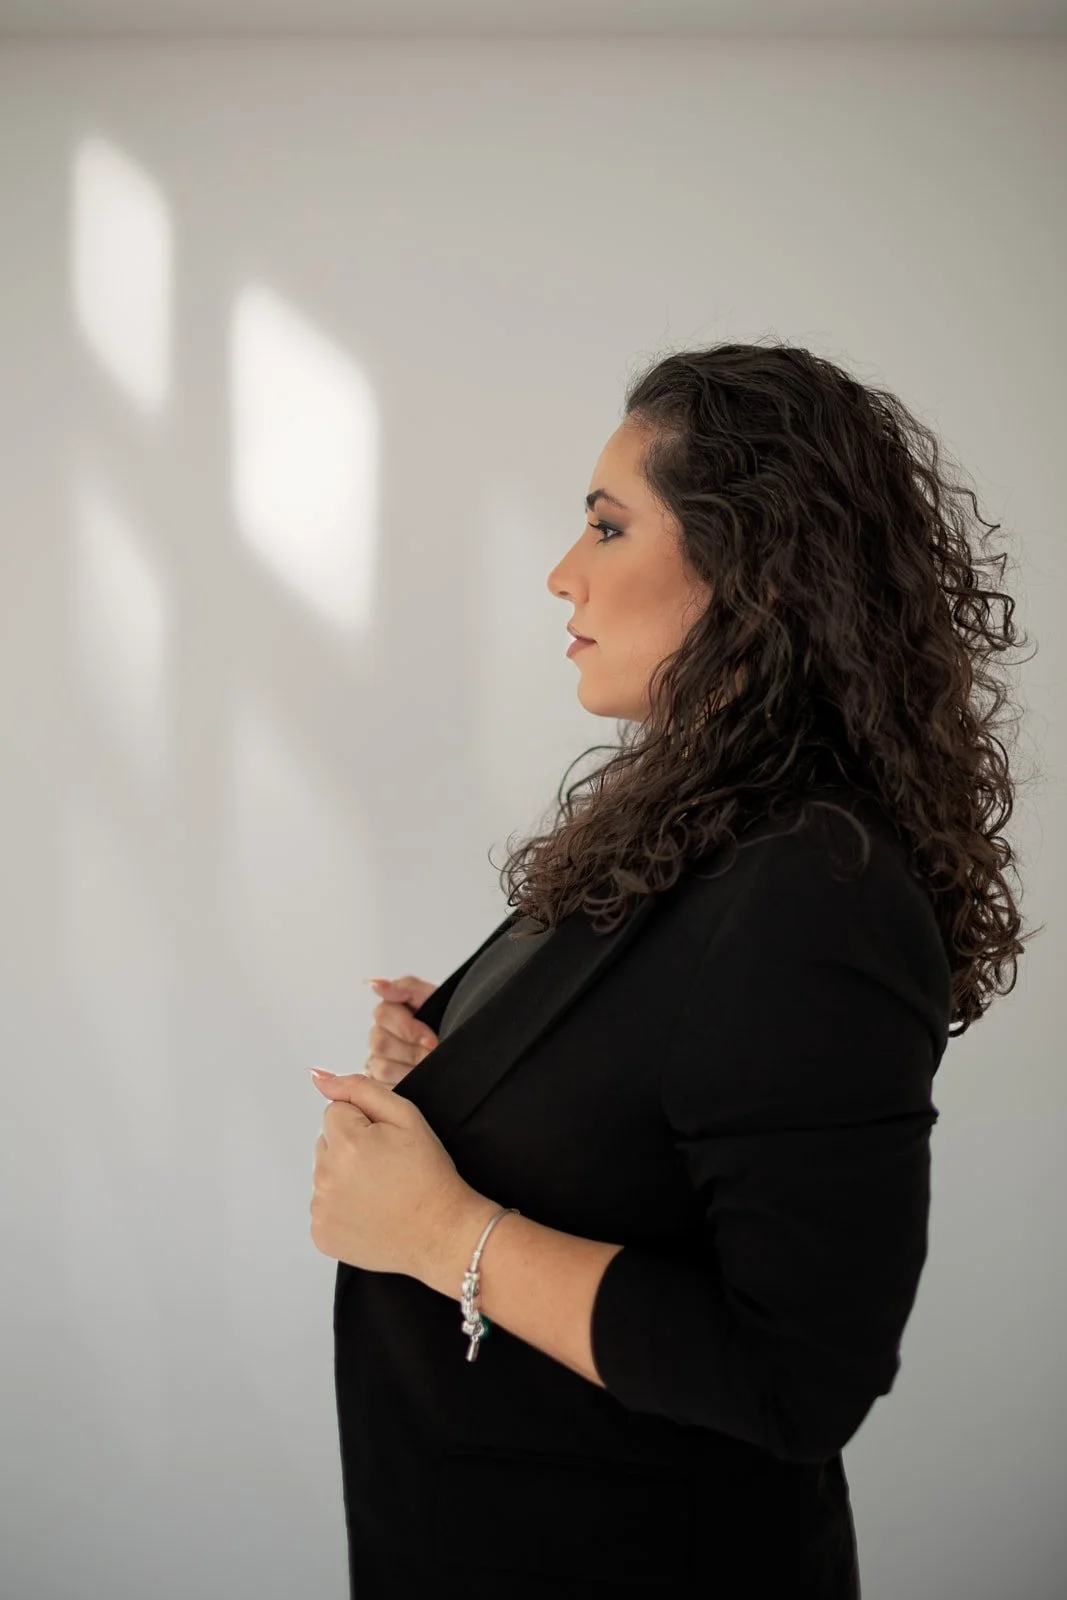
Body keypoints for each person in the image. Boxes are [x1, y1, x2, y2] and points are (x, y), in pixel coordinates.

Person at [317, 340, 1037, 1597]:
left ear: (750, 572)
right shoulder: (695, 818)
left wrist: (443, 1232)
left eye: (604, 527)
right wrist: (463, 1066)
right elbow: (644, 1091)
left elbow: (794, 1374)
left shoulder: (817, 886)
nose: (558, 573)